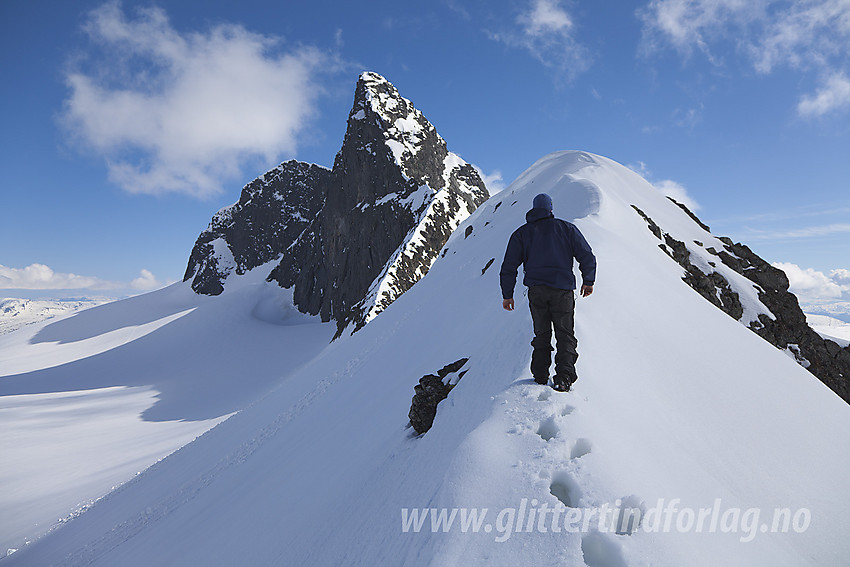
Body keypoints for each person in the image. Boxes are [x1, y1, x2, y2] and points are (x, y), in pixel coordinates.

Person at [500, 193, 596, 391]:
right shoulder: (566, 229)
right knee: (565, 334)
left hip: (537, 291)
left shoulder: (521, 233)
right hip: (562, 290)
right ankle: (563, 377)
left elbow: (509, 266)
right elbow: (586, 255)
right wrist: (588, 280)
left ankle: (540, 375)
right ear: (550, 209)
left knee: (541, 333)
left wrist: (507, 295)